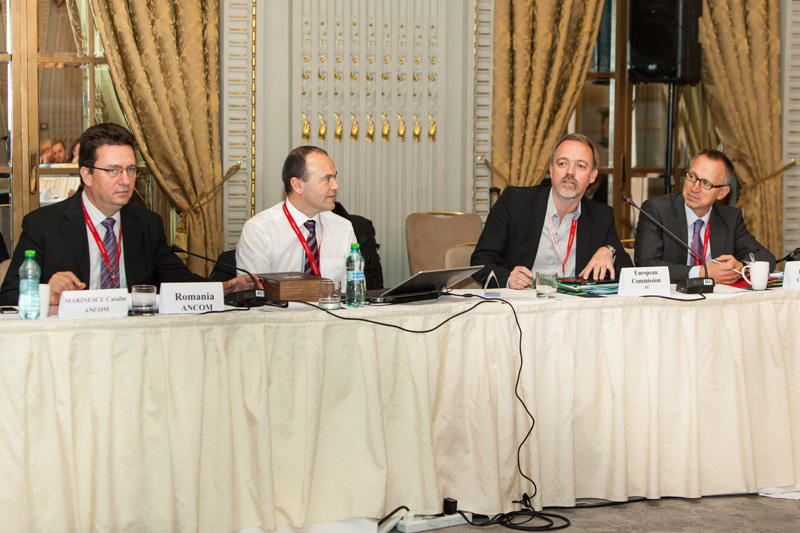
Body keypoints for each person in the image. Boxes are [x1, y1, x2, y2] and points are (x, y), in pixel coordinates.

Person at [0, 123, 254, 306]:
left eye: (130, 170)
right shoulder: (44, 225)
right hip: (72, 340)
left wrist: (223, 287)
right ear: (87, 175)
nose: (125, 180)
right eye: (113, 170)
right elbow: (9, 294)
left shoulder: (146, 224)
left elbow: (178, 281)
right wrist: (47, 291)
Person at [471, 133, 632, 289]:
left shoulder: (601, 216)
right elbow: (480, 261)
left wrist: (609, 251)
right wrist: (508, 279)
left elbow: (628, 272)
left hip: (574, 304)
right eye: (562, 164)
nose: (570, 172)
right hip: (521, 302)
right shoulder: (515, 202)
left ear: (593, 176)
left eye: (580, 166)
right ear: (551, 169)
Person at [634, 149, 776, 284]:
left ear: (722, 192)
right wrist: (701, 273)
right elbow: (646, 265)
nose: (694, 188)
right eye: (692, 176)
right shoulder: (657, 210)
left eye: (706, 183)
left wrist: (742, 266)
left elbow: (766, 257)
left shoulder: (730, 218)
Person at [236, 146, 356, 285]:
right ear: (297, 185)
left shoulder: (343, 228)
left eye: (334, 177)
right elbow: (254, 293)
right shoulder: (259, 230)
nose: (335, 186)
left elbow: (354, 291)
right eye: (327, 179)